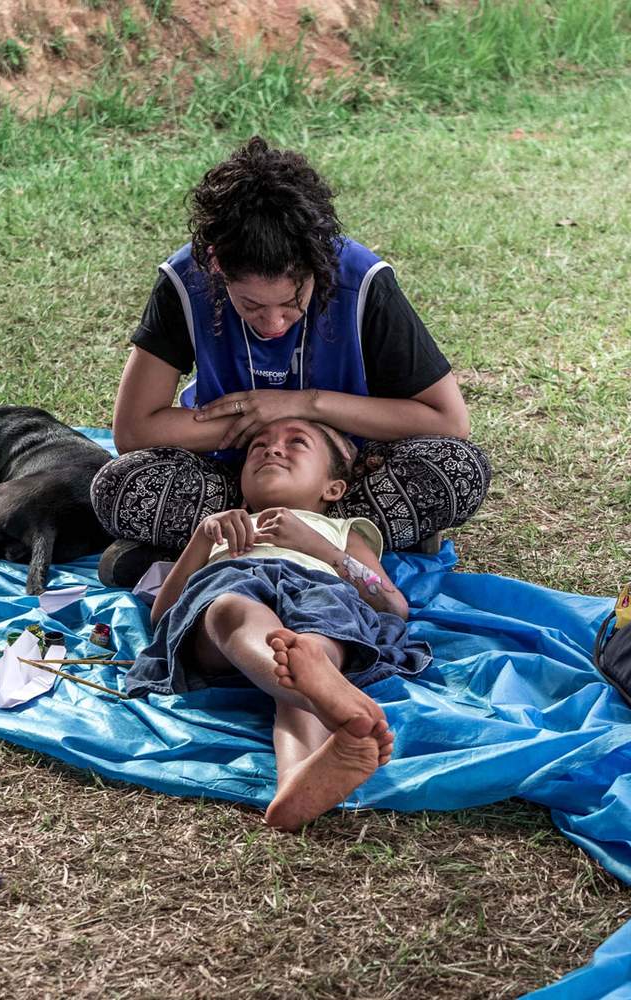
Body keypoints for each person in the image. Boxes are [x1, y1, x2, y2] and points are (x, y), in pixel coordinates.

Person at [92, 135, 491, 586]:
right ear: (218, 266)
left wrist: (303, 404)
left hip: (345, 473)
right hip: (237, 475)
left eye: (292, 301)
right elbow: (133, 431)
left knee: (457, 468)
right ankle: (342, 536)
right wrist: (253, 428)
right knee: (118, 486)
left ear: (317, 267)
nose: (275, 323)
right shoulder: (186, 282)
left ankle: (226, 542)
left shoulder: (363, 282)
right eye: (251, 306)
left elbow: (449, 420)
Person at [126, 417, 431, 830]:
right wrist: (202, 538)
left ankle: (295, 784)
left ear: (332, 488)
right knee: (232, 610)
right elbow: (164, 615)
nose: (272, 449)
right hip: (235, 595)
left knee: (307, 650)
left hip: (319, 592)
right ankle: (322, 694)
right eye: (258, 446)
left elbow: (392, 605)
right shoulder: (225, 526)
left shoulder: (339, 531)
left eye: (297, 442)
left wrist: (320, 547)